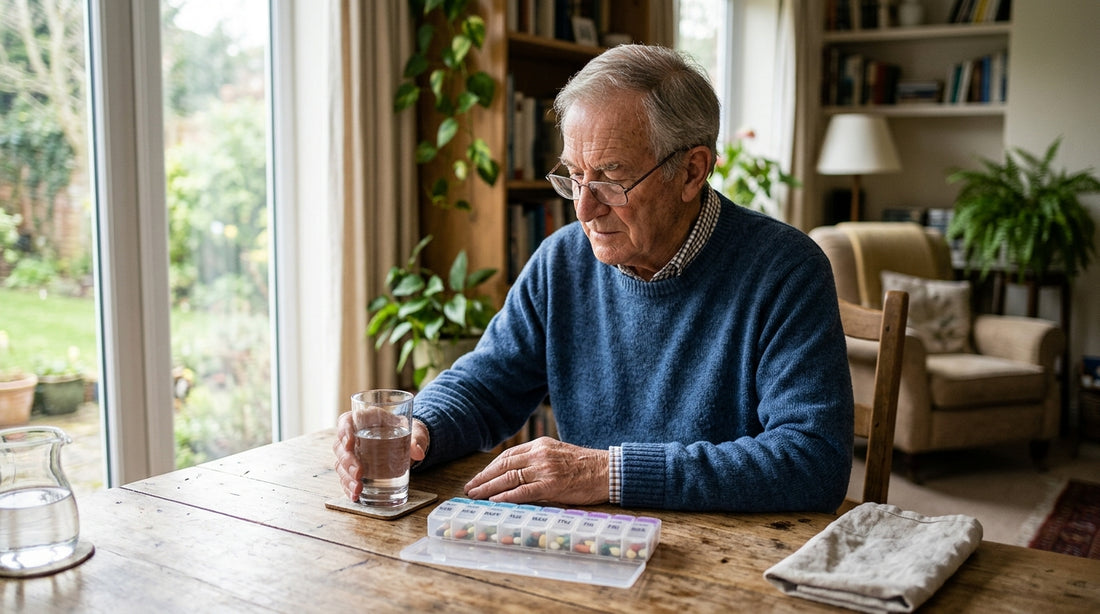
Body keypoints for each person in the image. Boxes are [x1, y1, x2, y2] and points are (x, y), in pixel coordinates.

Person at [334, 44, 853, 513]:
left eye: (609, 177)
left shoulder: (787, 270)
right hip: (590, 546)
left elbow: (812, 458)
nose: (583, 208)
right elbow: (487, 383)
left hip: (732, 559)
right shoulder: (562, 261)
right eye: (573, 176)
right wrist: (416, 428)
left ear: (693, 172)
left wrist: (609, 473)